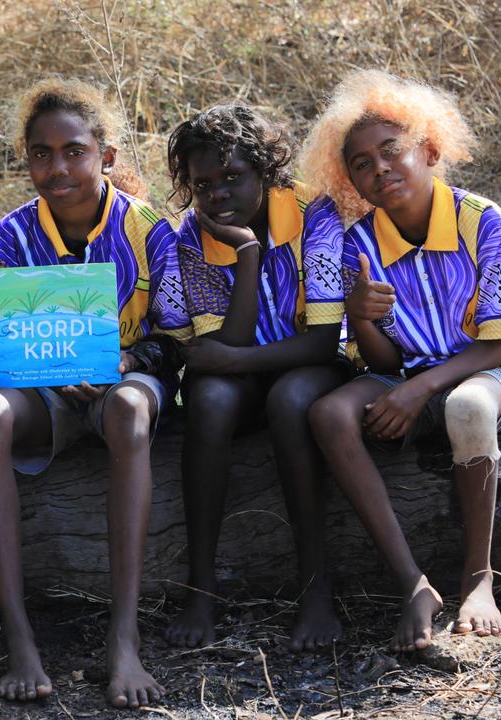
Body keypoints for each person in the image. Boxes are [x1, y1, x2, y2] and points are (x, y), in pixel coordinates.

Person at [298, 69, 501, 651]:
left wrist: (418, 391)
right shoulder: (358, 245)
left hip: (486, 371)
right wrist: (360, 316)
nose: (378, 168)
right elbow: (383, 357)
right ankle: (413, 583)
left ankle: (479, 578)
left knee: (467, 406)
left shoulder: (482, 221)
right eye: (359, 163)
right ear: (350, 179)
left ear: (429, 150)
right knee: (330, 413)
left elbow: (500, 343)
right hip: (404, 370)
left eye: (391, 150)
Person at [0, 79, 188, 709]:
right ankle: (20, 638)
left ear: (106, 156)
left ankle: (123, 637)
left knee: (125, 406)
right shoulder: (11, 236)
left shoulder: (150, 231)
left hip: (125, 384)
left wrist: (124, 357)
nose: (57, 167)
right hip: (46, 393)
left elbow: (175, 341)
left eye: (74, 151)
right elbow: (3, 342)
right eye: (41, 153)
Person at [163, 105, 348, 651]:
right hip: (240, 378)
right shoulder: (194, 236)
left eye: (233, 177)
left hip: (308, 369)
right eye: (203, 184)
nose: (218, 193)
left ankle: (315, 588)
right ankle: (201, 587)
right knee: (211, 401)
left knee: (290, 400)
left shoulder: (314, 212)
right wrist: (247, 252)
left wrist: (231, 362)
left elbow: (320, 339)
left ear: (266, 171)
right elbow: (226, 346)